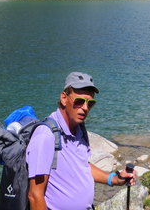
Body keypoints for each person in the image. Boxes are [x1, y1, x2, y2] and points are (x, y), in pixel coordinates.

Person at [25, 71, 134, 210]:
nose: (85, 108)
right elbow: (35, 195)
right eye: (79, 101)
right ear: (64, 98)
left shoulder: (79, 129)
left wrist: (114, 178)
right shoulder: (45, 136)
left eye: (90, 103)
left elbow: (82, 166)